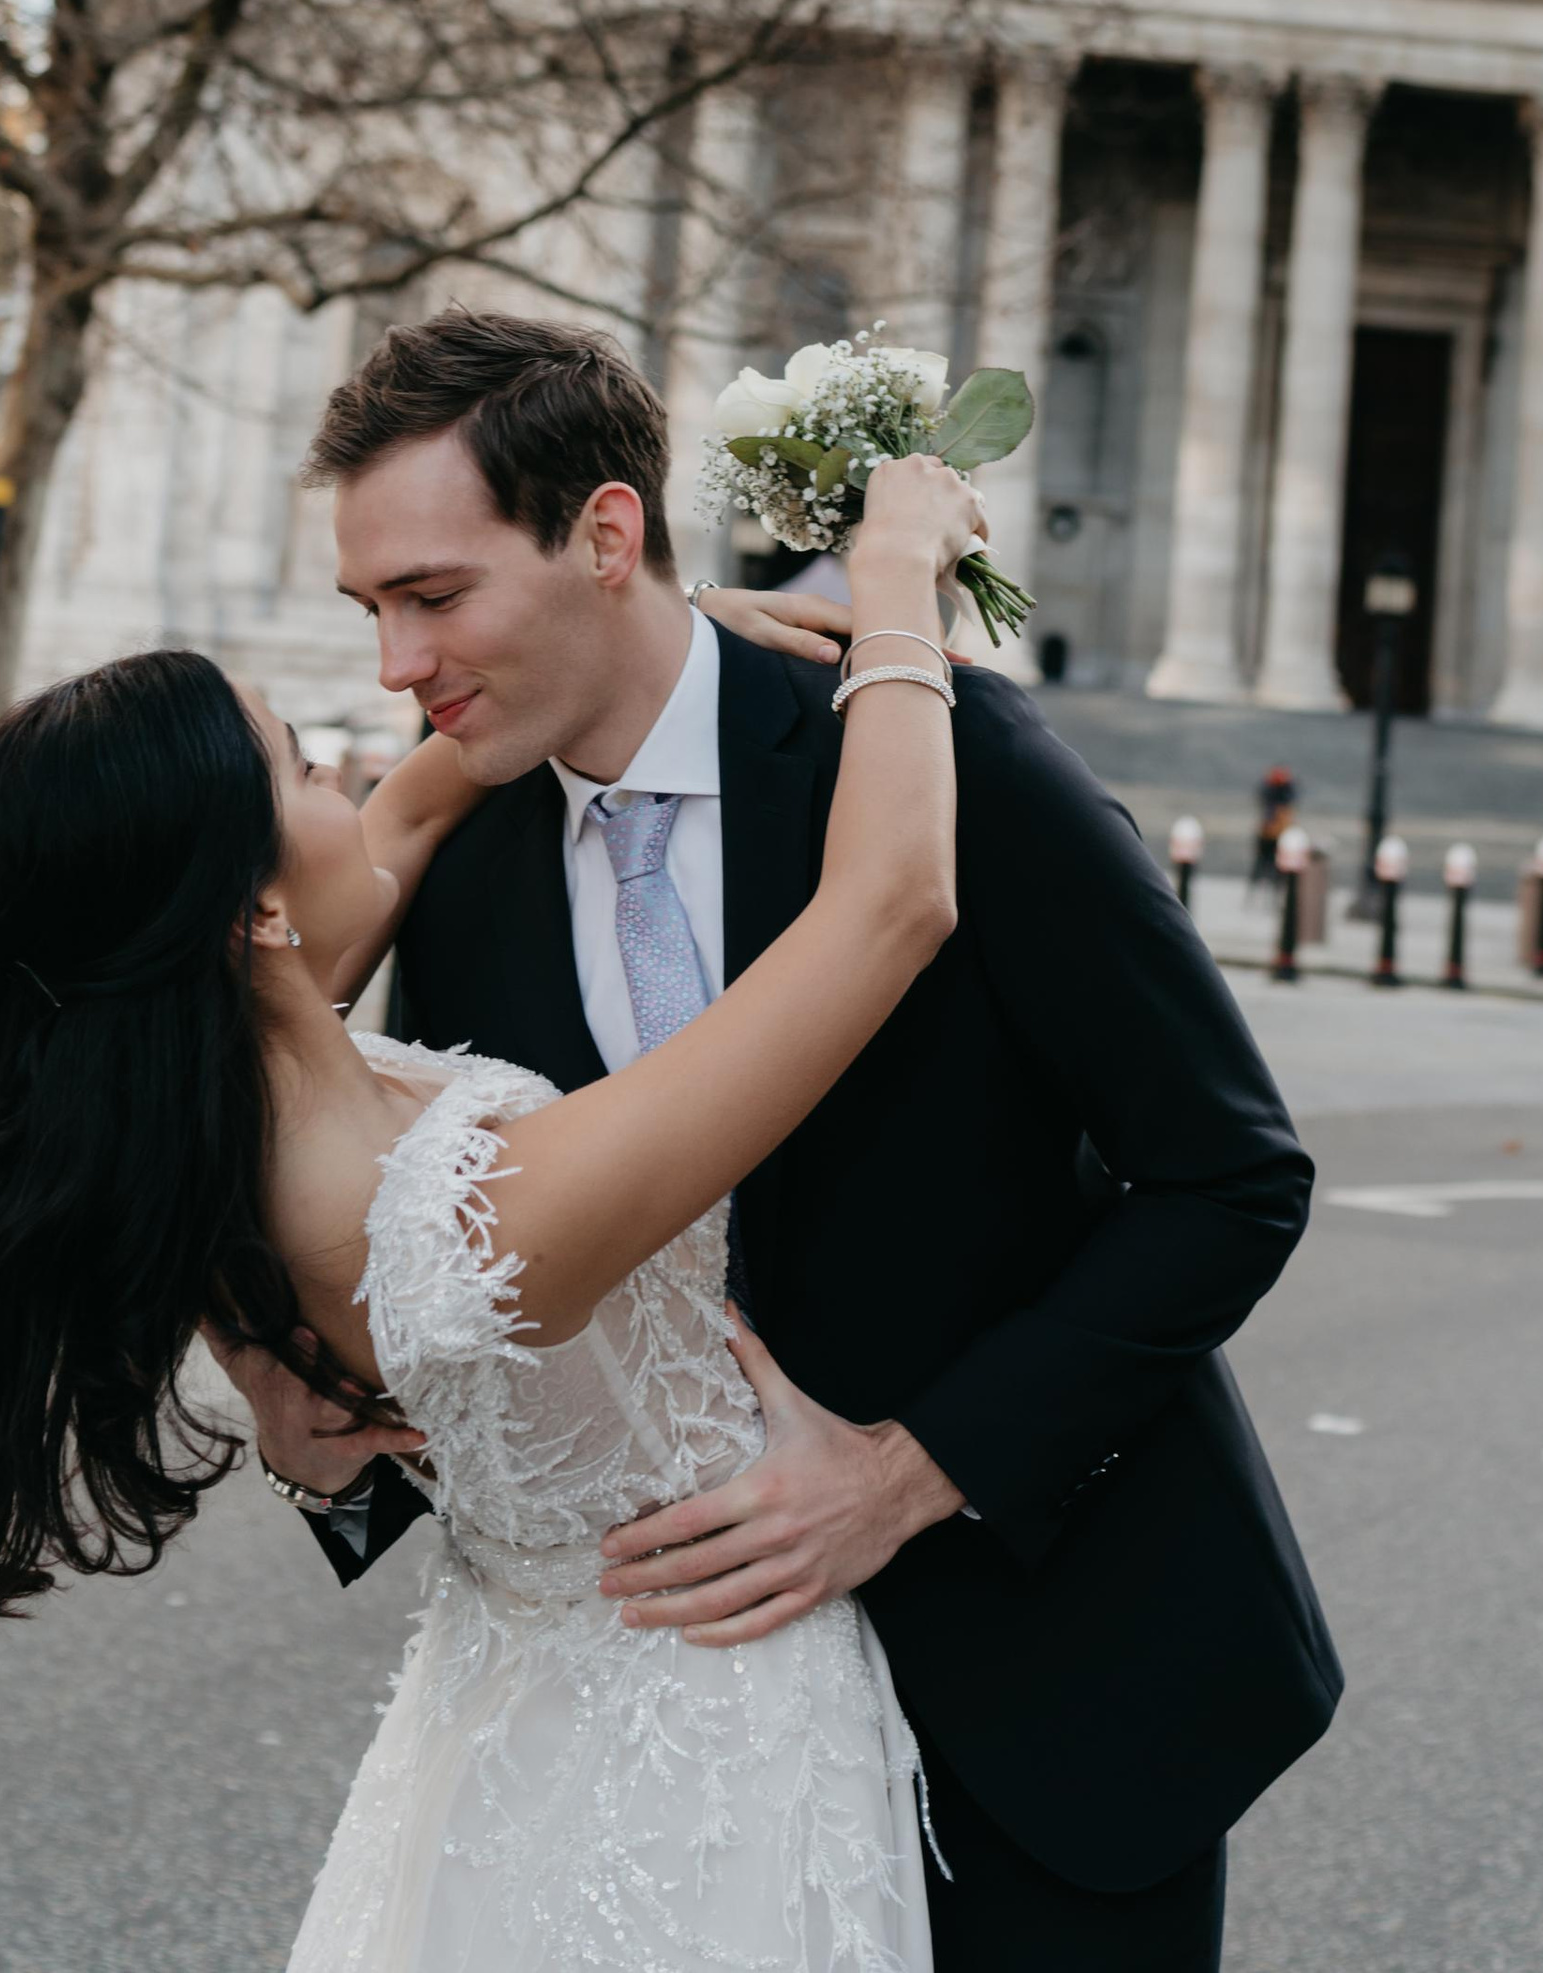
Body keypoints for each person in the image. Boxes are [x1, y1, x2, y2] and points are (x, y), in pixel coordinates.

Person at [232, 312, 1339, 1972]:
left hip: (1041, 1690)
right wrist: (307, 1411)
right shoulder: (453, 867)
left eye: (435, 595)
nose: (397, 664)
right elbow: (420, 1236)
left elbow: (1230, 1175)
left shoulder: (942, 754)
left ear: (607, 533)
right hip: (670, 1761)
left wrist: (910, 1473)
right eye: (371, 607)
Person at [0, 440, 989, 1968]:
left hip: (508, 1727)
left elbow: (423, 801)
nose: (363, 765)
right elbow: (893, 901)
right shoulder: (479, 1217)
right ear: (250, 908)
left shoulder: (229, 1126)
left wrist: (663, 633)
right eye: (304, 767)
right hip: (697, 1746)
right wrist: (893, 578)